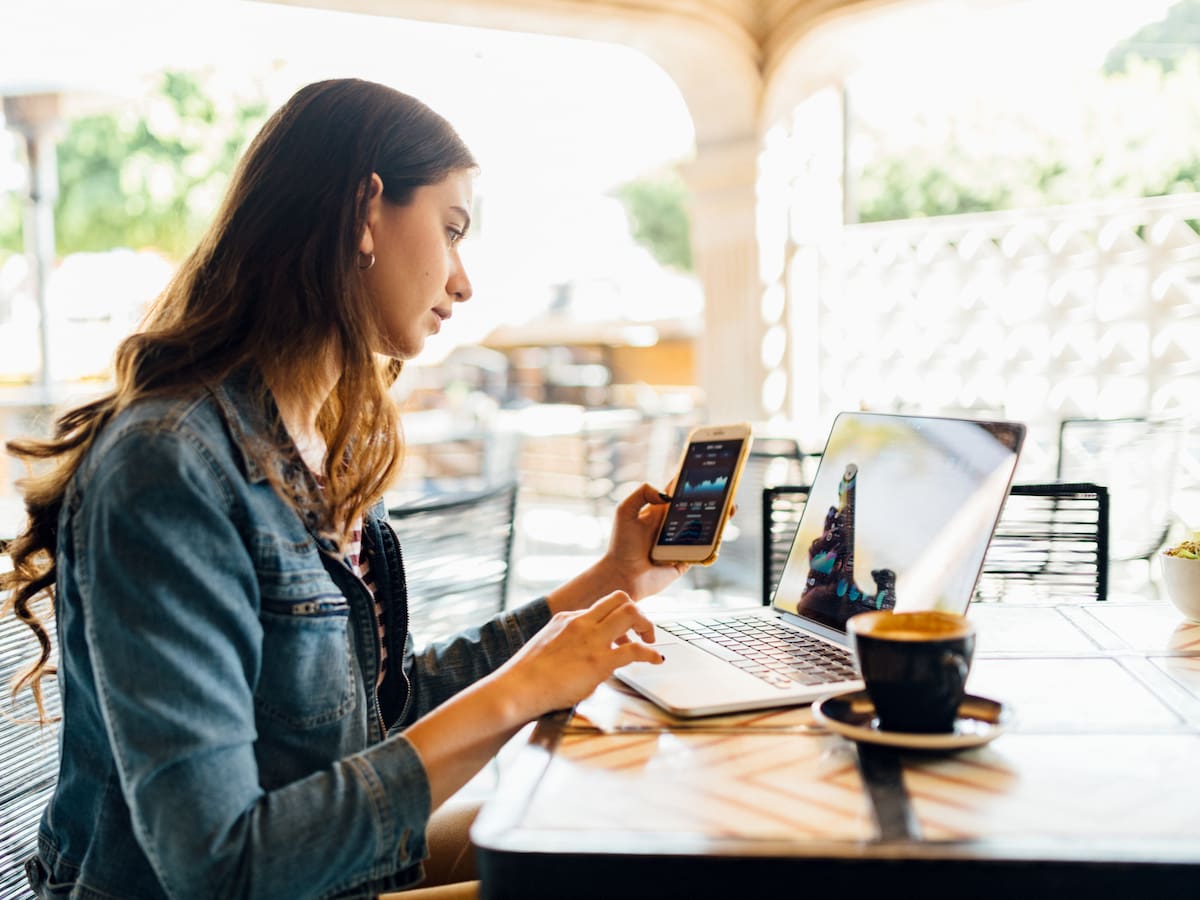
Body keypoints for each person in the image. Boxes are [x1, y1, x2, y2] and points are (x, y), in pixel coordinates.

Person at [1, 78, 686, 900]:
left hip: (322, 876)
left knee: (636, 835)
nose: (464, 283)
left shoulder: (327, 444)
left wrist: (612, 581)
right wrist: (521, 692)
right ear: (367, 209)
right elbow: (217, 865)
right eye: (452, 229)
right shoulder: (168, 466)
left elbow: (380, 712)